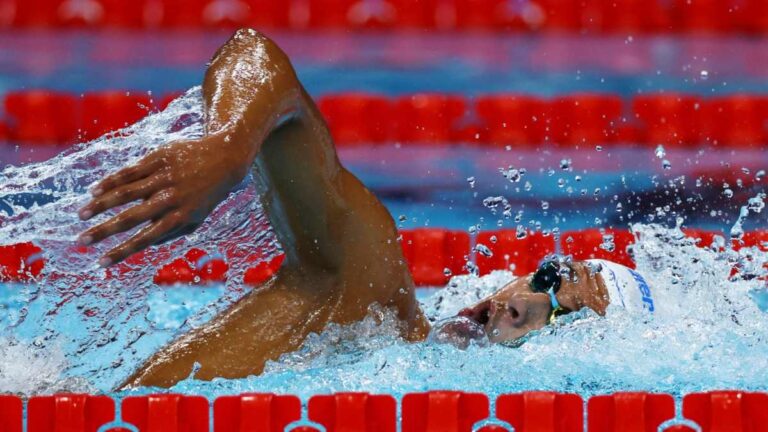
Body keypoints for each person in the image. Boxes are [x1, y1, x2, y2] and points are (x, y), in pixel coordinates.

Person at [77, 29, 655, 389]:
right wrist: (229, 149)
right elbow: (255, 56)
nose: (525, 305)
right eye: (552, 278)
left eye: (564, 318)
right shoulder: (369, 292)